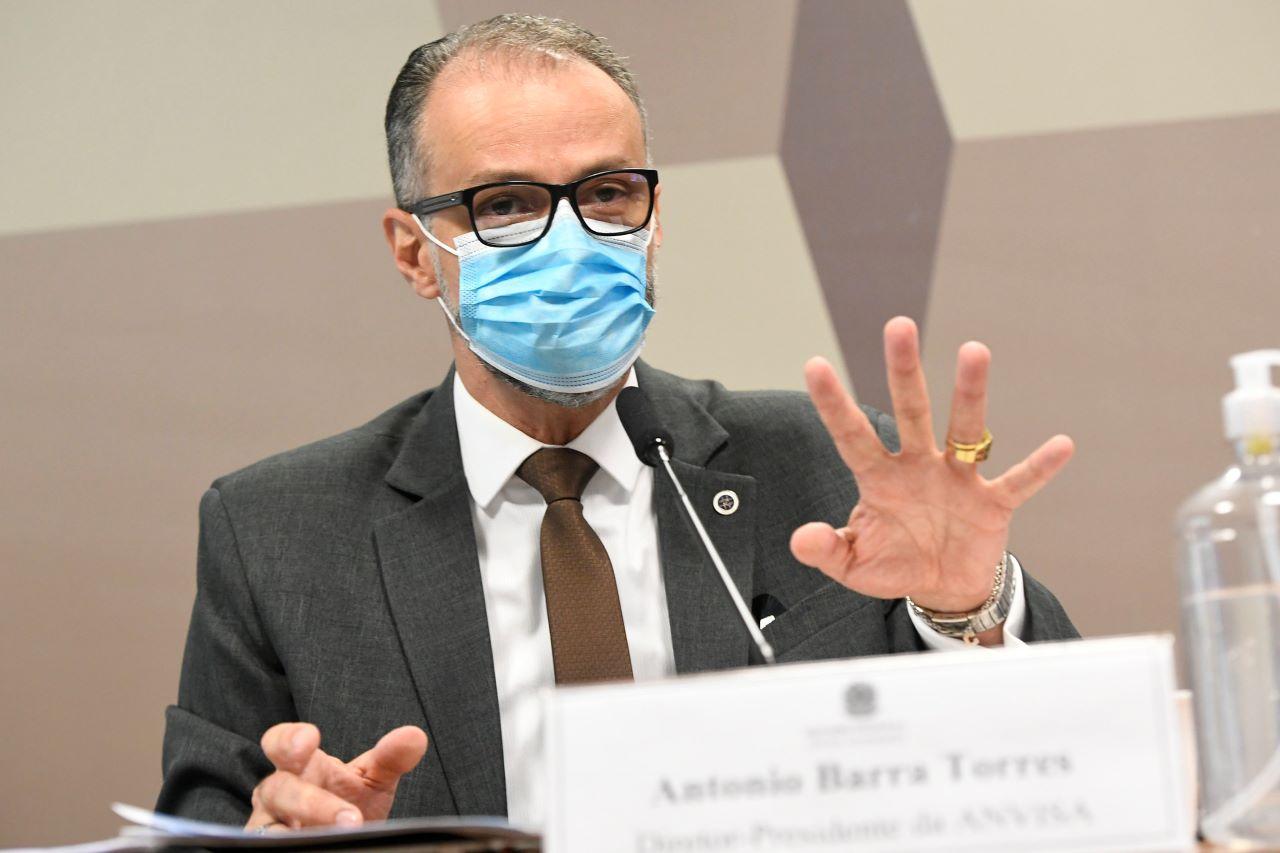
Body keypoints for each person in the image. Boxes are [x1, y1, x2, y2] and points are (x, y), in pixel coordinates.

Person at [156, 13, 1078, 831]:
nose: (569, 239)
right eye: (505, 205)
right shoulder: (277, 532)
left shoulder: (824, 465)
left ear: (653, 216)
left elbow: (1062, 766)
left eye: (605, 193)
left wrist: (966, 609)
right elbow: (210, 818)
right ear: (414, 253)